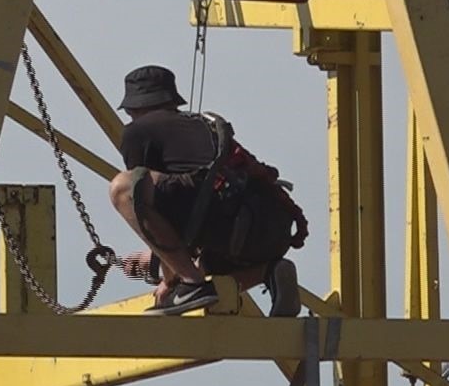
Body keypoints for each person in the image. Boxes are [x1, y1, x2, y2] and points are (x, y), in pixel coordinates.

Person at [108, 65, 309, 315]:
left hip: (226, 219)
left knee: (124, 187)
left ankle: (190, 285)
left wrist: (170, 281)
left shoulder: (138, 131)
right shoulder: (202, 124)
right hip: (268, 225)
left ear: (131, 108)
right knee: (206, 269)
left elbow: (147, 202)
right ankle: (268, 271)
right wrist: (157, 260)